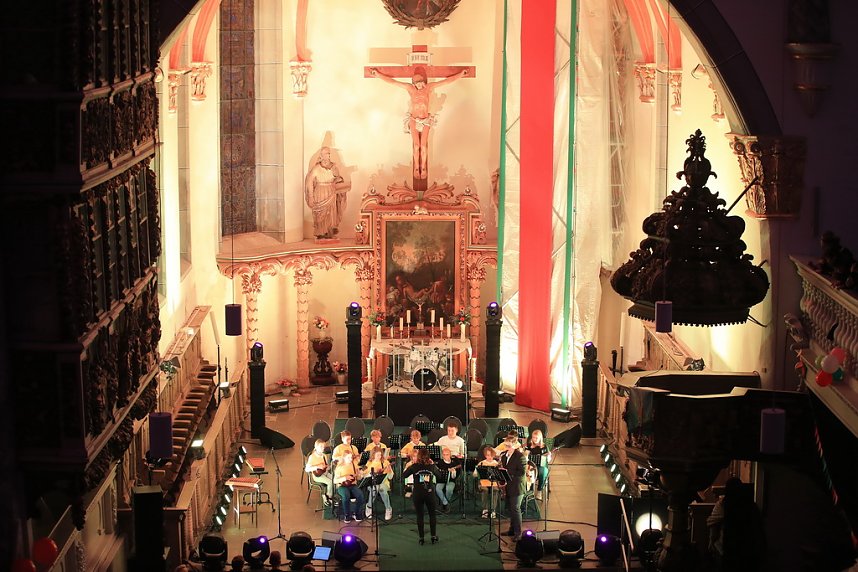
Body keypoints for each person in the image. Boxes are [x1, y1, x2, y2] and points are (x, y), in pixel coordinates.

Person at [369, 66, 468, 180]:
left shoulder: (428, 88)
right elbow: (393, 82)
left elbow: (445, 82)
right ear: (413, 83)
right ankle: (417, 167)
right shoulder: (410, 89)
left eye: (421, 82)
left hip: (425, 120)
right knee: (416, 146)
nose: (420, 84)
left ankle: (423, 168)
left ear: (424, 81)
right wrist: (378, 75)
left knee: (423, 146)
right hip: (414, 120)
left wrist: (461, 74)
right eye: (417, 82)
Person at [706, 477, 766, 571]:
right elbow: (758, 527)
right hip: (746, 548)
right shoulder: (750, 505)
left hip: (729, 548)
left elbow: (713, 524)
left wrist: (711, 541)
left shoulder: (723, 504)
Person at [304, 146, 350, 239]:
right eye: (325, 153)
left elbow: (338, 178)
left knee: (331, 213)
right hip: (320, 193)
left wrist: (340, 180)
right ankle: (320, 233)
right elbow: (309, 182)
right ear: (321, 155)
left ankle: (329, 232)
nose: (327, 155)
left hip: (331, 192)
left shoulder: (334, 167)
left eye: (328, 153)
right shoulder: (316, 168)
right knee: (320, 214)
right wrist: (311, 196)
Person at [402, 448, 443, 545]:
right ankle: (433, 536)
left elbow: (404, 475)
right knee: (432, 515)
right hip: (429, 493)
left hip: (418, 493)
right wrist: (433, 465)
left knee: (420, 515)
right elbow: (440, 476)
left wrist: (410, 465)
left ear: (419, 456)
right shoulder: (432, 466)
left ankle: (421, 538)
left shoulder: (414, 466)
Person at [499, 430, 528, 541]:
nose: (507, 448)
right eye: (506, 445)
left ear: (515, 445)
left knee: (515, 509)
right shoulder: (504, 456)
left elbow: (521, 472)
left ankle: (518, 533)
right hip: (509, 486)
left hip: (517, 487)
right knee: (511, 509)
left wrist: (507, 473)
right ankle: (511, 530)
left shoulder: (520, 456)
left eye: (509, 446)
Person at [363, 446, 394, 520]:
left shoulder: (385, 462)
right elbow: (364, 475)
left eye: (380, 455)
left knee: (382, 489)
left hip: (384, 483)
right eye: (377, 455)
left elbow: (390, 477)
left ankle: (388, 509)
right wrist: (372, 473)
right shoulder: (369, 463)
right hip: (372, 483)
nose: (379, 457)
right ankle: (369, 507)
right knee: (374, 488)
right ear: (373, 455)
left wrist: (389, 471)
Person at [334, 451, 365, 523]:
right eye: (348, 457)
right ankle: (347, 514)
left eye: (351, 457)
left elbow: (358, 478)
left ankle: (357, 513)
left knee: (360, 495)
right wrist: (345, 478)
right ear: (344, 458)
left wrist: (360, 474)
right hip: (342, 486)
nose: (350, 459)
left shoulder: (354, 465)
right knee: (346, 495)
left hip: (353, 485)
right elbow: (335, 481)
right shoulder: (339, 467)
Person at [525, 429, 552, 500]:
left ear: (540, 438)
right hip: (531, 465)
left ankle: (539, 490)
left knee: (543, 472)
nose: (535, 439)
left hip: (541, 466)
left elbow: (548, 460)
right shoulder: (529, 445)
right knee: (528, 471)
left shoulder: (544, 447)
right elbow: (526, 454)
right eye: (533, 437)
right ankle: (530, 490)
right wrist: (526, 454)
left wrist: (548, 456)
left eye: (536, 438)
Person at [474, 446, 500, 519]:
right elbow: (475, 474)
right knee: (484, 489)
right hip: (484, 482)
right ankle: (485, 509)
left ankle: (493, 510)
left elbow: (499, 475)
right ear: (485, 455)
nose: (490, 457)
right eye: (488, 455)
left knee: (495, 489)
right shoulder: (481, 463)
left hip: (493, 482)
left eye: (491, 455)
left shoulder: (496, 464)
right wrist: (478, 471)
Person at [305, 439, 333, 505]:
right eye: (321, 446)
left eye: (323, 447)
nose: (322, 448)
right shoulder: (312, 457)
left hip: (325, 473)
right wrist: (317, 467)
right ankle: (328, 497)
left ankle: (331, 494)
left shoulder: (324, 456)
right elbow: (307, 469)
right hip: (317, 476)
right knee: (330, 482)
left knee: (335, 479)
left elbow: (326, 467)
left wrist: (329, 467)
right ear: (316, 447)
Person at [435, 446, 462, 513]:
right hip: (441, 480)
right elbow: (437, 472)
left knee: (449, 489)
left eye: (447, 454)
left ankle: (445, 504)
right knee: (438, 489)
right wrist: (447, 470)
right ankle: (446, 503)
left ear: (450, 454)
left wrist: (454, 471)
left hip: (451, 480)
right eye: (444, 455)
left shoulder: (454, 462)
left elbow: (457, 475)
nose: (445, 456)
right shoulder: (439, 463)